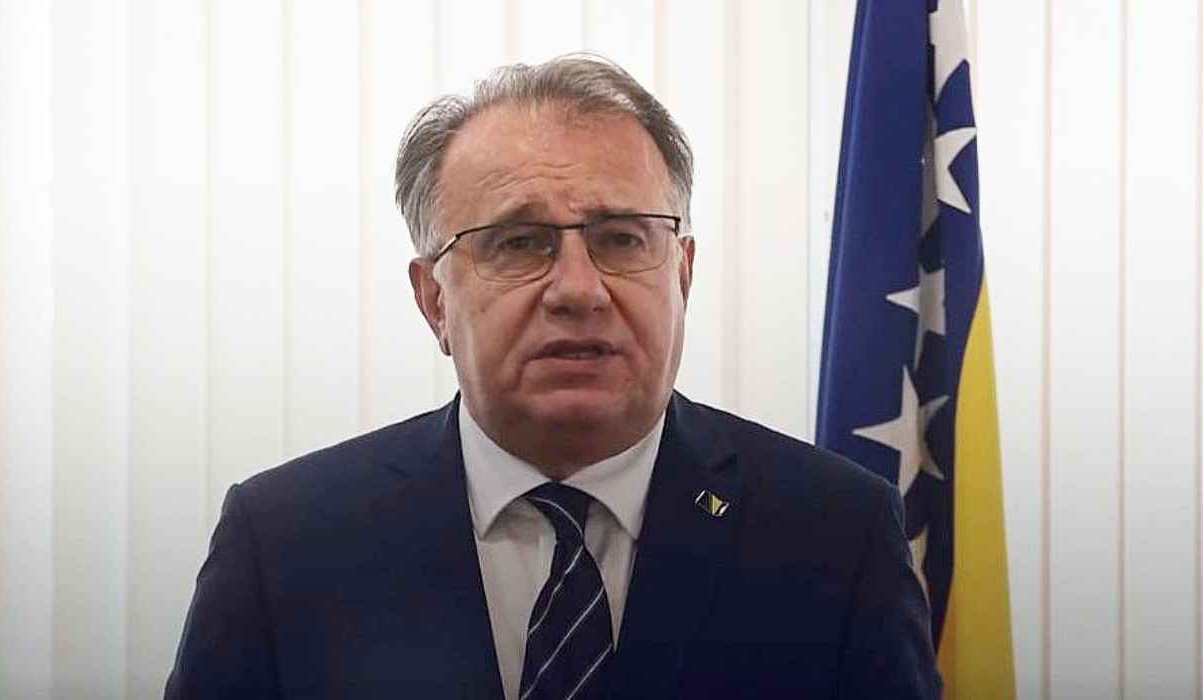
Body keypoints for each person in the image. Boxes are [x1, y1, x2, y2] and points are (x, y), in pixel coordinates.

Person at [166, 54, 940, 699]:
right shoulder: (286, 543)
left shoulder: (837, 535)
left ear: (682, 274)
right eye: (518, 243)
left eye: (622, 238)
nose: (578, 289)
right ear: (434, 300)